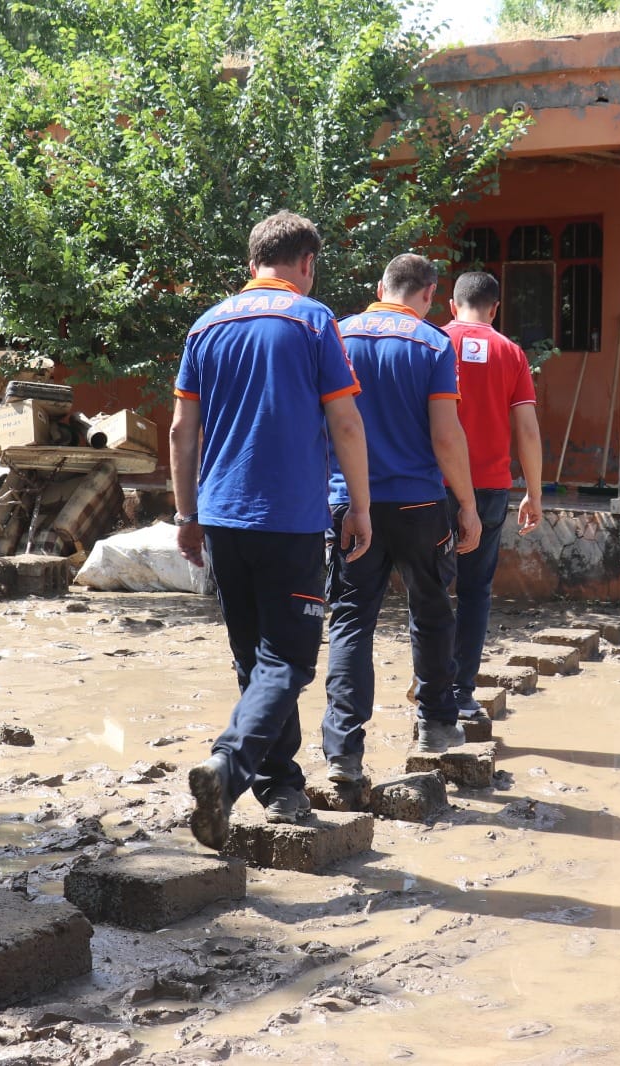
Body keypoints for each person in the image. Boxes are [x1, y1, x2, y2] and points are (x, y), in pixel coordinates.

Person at [170, 210, 373, 851]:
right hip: (289, 521)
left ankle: (280, 786)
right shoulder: (315, 322)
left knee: (254, 659)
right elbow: (345, 424)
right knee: (288, 659)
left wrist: (186, 515)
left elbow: (182, 432)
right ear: (306, 264)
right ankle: (228, 770)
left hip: (222, 518)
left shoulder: (205, 325)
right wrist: (360, 507)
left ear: (253, 261)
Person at [323, 254, 481, 785]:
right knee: (432, 610)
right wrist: (467, 503)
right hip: (418, 504)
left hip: (349, 502)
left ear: (379, 287)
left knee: (350, 619)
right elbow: (445, 434)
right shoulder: (434, 344)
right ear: (431, 294)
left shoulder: (338, 335)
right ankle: (436, 723)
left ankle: (343, 751)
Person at [443, 271, 543, 716]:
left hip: (435, 484)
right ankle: (461, 693)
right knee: (475, 590)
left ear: (451, 304)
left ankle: (429, 685)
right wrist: (534, 492)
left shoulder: (432, 342)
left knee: (428, 587)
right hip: (490, 487)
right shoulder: (512, 353)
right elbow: (527, 430)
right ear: (495, 308)